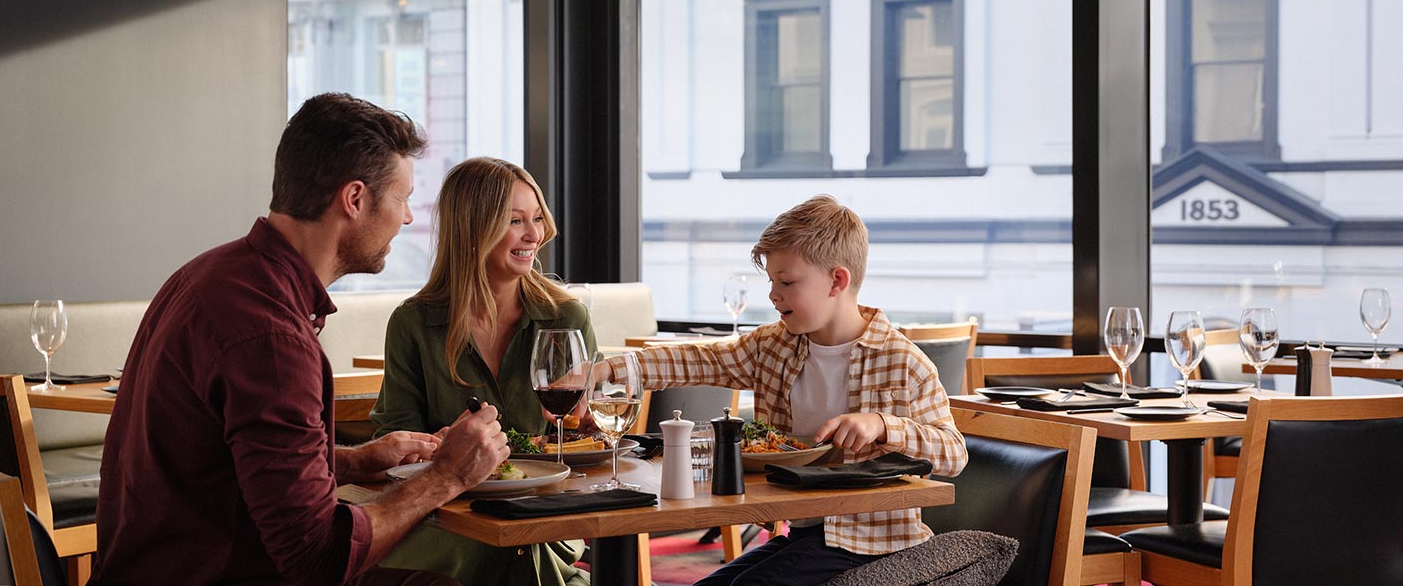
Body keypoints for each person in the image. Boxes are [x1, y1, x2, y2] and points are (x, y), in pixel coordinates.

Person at [91, 93, 509, 586]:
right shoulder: (271, 337)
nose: (409, 218)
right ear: (354, 199)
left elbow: (224, 461)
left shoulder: (209, 274)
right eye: (403, 198)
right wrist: (449, 477)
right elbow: (318, 560)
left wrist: (355, 460)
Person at [612, 195, 968, 586]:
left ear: (837, 280)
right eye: (772, 281)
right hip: (803, 532)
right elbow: (703, 359)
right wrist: (616, 368)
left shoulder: (903, 362)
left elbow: (954, 454)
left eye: (787, 282)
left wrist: (883, 425)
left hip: (877, 541)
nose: (773, 294)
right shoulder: (776, 346)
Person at [369, 157, 595, 586]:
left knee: (521, 544)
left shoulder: (565, 319)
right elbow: (394, 445)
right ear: (472, 230)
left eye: (537, 219)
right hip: (448, 515)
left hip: (544, 511)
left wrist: (587, 426)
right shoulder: (414, 323)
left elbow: (591, 436)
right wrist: (437, 446)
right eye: (515, 221)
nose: (535, 235)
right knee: (512, 552)